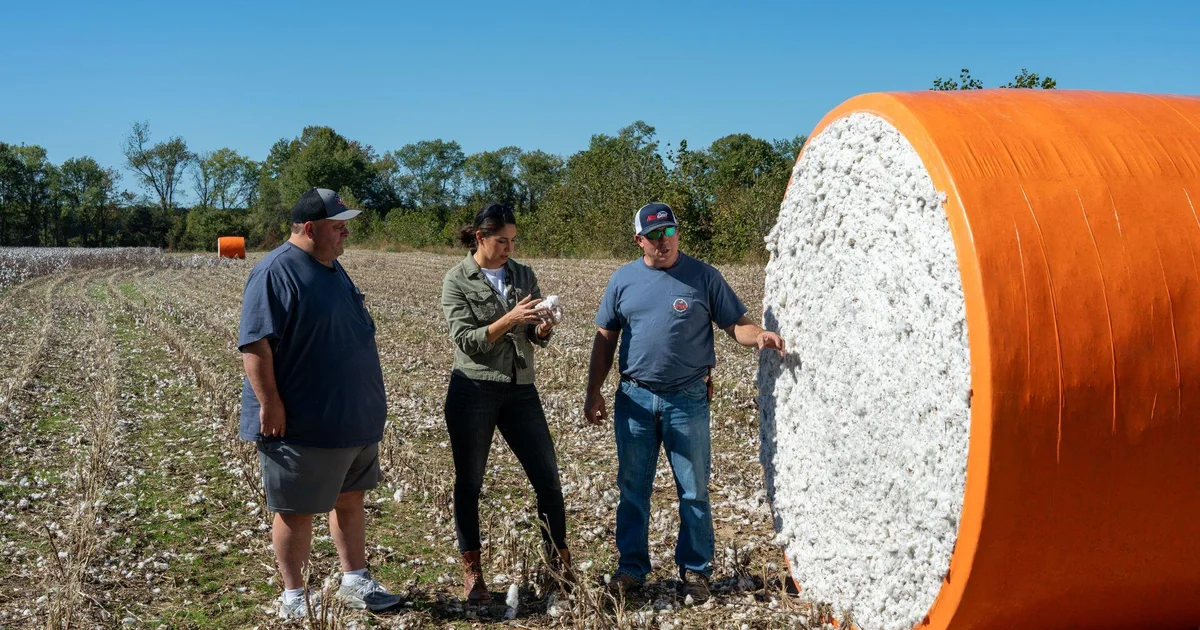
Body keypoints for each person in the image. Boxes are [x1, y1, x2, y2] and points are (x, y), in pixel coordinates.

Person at [583, 202, 786, 602]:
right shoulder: (622, 280)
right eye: (654, 236)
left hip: (688, 398)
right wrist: (593, 391)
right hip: (635, 399)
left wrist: (759, 335)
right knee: (632, 489)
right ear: (639, 239)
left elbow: (735, 324)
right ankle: (632, 569)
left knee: (693, 489)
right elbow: (605, 338)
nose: (664, 242)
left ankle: (695, 570)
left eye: (670, 232)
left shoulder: (704, 276)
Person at [238, 187, 402, 618]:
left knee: (350, 498)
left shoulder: (333, 267)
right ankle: (294, 597)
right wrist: (269, 403)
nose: (345, 234)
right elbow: (254, 345)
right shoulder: (275, 271)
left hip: (350, 421)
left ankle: (355, 580)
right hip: (303, 424)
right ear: (310, 228)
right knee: (296, 509)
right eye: (338, 226)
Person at [440, 202, 570, 602]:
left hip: (520, 387)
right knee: (470, 483)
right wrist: (510, 319)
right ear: (480, 238)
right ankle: (473, 572)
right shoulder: (456, 280)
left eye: (513, 241)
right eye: (501, 241)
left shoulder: (523, 275)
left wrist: (543, 329)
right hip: (473, 390)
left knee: (547, 478)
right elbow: (467, 340)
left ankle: (558, 565)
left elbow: (532, 336)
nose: (509, 248)